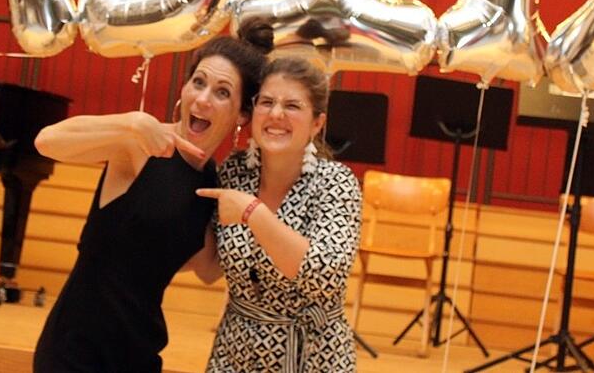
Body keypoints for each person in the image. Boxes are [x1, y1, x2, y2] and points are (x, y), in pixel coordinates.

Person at [31, 27, 270, 373]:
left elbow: (207, 269)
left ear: (242, 115)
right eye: (199, 82)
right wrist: (130, 122)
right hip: (75, 350)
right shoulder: (141, 142)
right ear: (185, 87)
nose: (202, 99)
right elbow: (46, 141)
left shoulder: (210, 184)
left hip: (139, 354)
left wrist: (266, 203)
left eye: (221, 92)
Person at [195, 56, 363, 372]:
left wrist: (253, 213)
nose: (276, 114)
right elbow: (208, 271)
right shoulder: (234, 172)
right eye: (267, 102)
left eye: (292, 106)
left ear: (317, 123)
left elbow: (325, 276)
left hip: (313, 356)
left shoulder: (336, 182)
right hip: (235, 352)